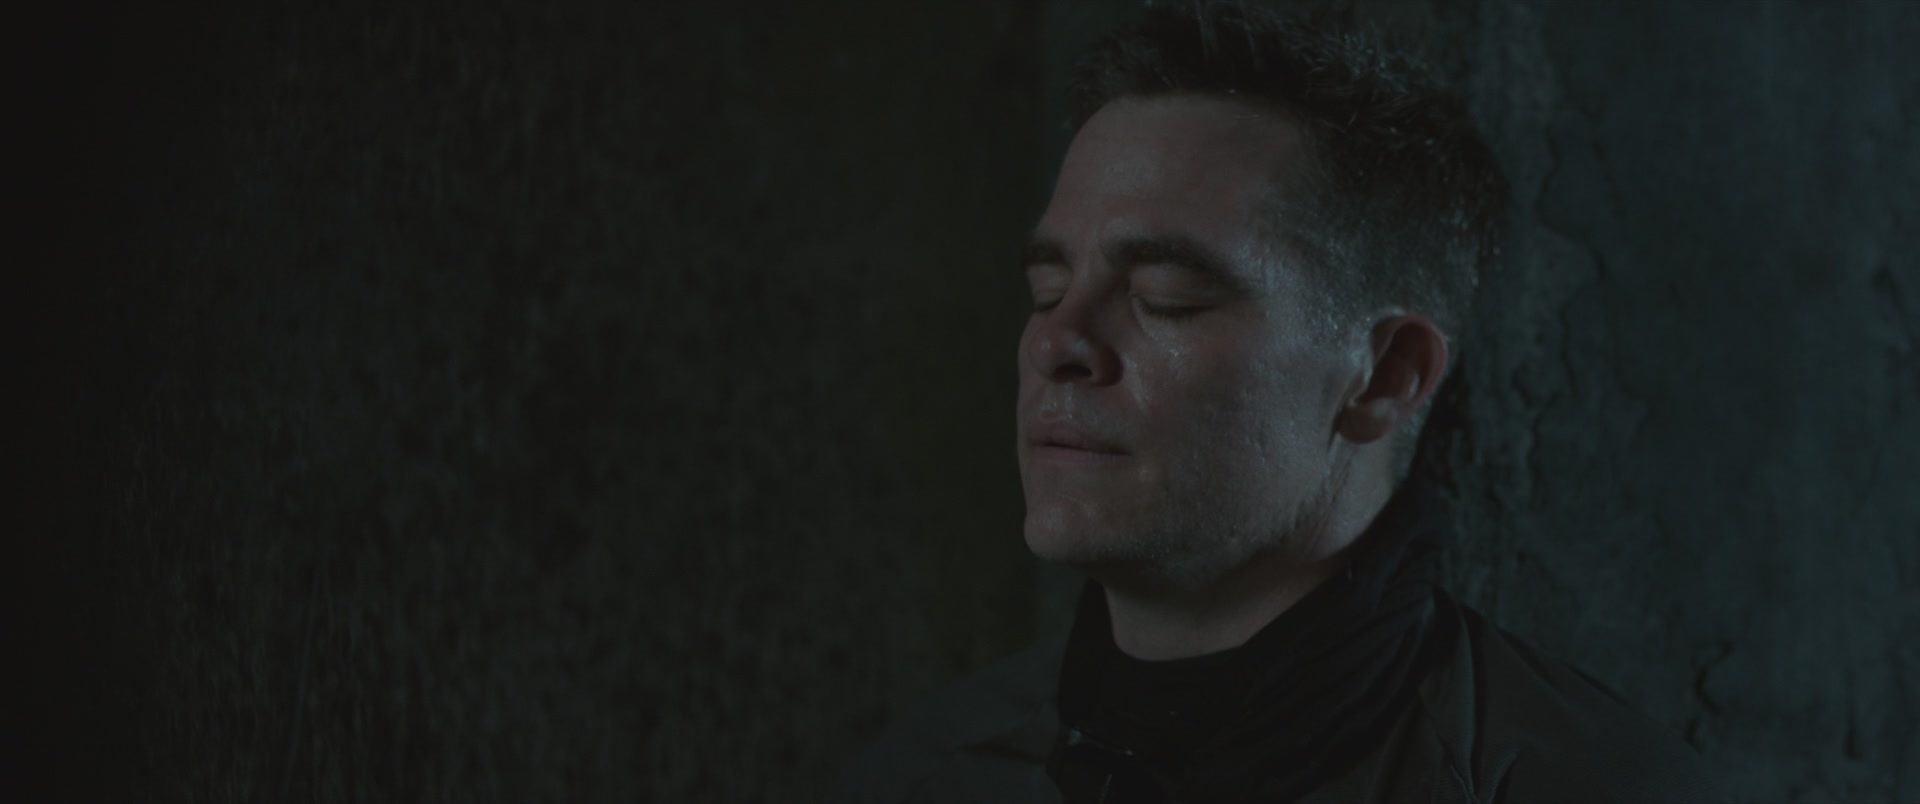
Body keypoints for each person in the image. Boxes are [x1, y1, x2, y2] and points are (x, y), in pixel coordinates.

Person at [841, 4, 1723, 802]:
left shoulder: (1587, 789)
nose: (1054, 343)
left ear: (1385, 376)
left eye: (1166, 298)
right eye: (1047, 290)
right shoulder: (927, 775)